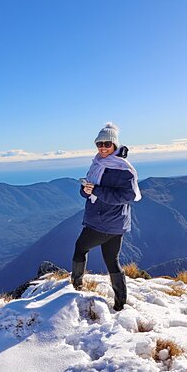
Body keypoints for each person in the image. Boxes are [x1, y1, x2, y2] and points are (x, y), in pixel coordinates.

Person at [72, 122, 142, 311]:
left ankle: (76, 287)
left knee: (80, 248)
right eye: (99, 144)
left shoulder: (123, 168)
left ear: (115, 145)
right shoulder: (98, 163)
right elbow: (90, 190)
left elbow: (128, 196)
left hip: (105, 221)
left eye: (107, 144)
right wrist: (86, 191)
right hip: (113, 221)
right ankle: (120, 304)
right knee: (112, 260)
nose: (102, 148)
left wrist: (97, 190)